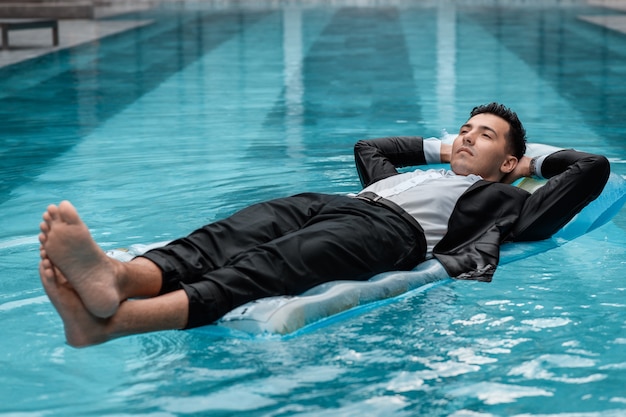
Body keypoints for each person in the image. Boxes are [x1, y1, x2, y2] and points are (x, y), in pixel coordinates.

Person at [38, 103, 610, 347]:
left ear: (511, 163)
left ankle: (116, 324)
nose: (466, 135)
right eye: (463, 127)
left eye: (484, 135)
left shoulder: (502, 201)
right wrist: (449, 148)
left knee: (267, 267)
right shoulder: (404, 169)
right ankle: (118, 279)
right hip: (335, 202)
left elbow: (591, 168)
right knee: (224, 236)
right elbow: (372, 145)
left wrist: (524, 165)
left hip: (392, 233)